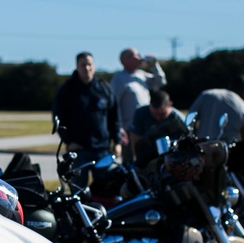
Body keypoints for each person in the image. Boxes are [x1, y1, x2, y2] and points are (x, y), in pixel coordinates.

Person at [52, 51, 122, 188]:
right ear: (77, 67)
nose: (86, 68)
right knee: (78, 191)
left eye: (89, 64)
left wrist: (117, 141)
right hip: (78, 152)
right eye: (83, 65)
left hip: (102, 150)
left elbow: (114, 117)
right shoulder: (68, 90)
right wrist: (69, 141)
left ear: (94, 66)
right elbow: (58, 117)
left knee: (106, 189)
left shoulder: (104, 88)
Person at [109, 48, 167, 159]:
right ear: (124, 61)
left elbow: (161, 81)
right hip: (129, 129)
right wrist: (119, 127)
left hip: (147, 126)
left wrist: (154, 66)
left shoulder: (141, 75)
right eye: (133, 56)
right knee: (130, 161)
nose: (138, 57)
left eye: (138, 54)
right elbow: (113, 105)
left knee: (149, 158)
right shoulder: (119, 79)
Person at [187, 74, 244, 143]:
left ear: (230, 85)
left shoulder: (207, 95)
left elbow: (189, 119)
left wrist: (193, 140)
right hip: (226, 151)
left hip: (201, 148)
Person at [128, 90, 187, 168]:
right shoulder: (141, 113)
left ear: (170, 105)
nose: (158, 118)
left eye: (162, 114)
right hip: (149, 154)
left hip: (173, 157)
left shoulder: (178, 119)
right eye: (155, 114)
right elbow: (135, 139)